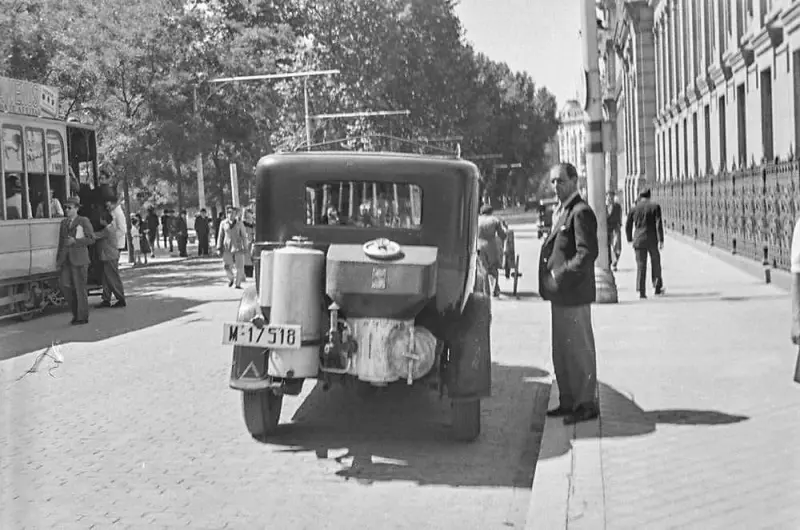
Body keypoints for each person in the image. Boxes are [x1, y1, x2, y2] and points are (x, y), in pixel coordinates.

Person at [538, 162, 600, 425]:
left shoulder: (581, 212)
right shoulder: (562, 212)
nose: (556, 186)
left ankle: (586, 403)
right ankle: (567, 400)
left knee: (579, 351)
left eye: (561, 180)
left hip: (574, 295)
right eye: (553, 181)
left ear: (575, 181)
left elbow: (587, 253)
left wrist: (560, 275)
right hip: (560, 296)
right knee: (562, 351)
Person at [56, 197, 96, 325]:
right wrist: (58, 260)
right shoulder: (63, 223)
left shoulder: (83, 221)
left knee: (80, 289)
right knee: (65, 285)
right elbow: (61, 243)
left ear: (77, 208)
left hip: (80, 259)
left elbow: (91, 239)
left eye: (70, 207)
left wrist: (76, 242)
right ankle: (76, 313)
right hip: (66, 260)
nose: (67, 210)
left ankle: (82, 316)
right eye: (65, 207)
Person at [625, 188, 665, 299]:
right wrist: (661, 239)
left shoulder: (634, 208)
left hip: (639, 240)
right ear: (649, 196)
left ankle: (641, 291)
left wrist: (629, 238)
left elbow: (628, 225)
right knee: (655, 262)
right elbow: (658, 224)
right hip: (652, 239)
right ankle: (657, 286)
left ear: (639, 196)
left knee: (641, 265)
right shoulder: (655, 207)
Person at [96, 192, 127, 308]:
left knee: (112, 274)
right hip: (111, 247)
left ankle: (119, 297)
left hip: (114, 246)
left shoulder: (118, 213)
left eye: (108, 204)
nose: (107, 206)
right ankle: (106, 297)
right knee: (106, 274)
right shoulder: (111, 212)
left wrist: (111, 239)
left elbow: (122, 230)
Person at [477, 204, 507, 297]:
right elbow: (502, 234)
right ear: (491, 212)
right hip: (491, 246)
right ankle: (495, 289)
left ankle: (486, 292)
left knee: (484, 269)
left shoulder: (477, 220)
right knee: (494, 268)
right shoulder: (494, 220)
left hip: (479, 245)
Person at [216, 206, 248, 289]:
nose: (230, 214)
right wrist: (219, 248)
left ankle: (238, 284)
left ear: (235, 214)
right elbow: (220, 236)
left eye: (232, 213)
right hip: (227, 247)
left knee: (240, 267)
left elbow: (244, 236)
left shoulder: (239, 223)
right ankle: (231, 278)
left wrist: (245, 247)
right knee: (226, 266)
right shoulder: (223, 223)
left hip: (238, 247)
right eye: (228, 212)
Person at [606, 191, 622, 271]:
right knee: (608, 246)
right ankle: (610, 263)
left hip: (615, 227)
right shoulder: (604, 206)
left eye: (611, 197)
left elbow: (619, 215)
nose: (610, 198)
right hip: (607, 228)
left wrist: (620, 224)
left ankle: (615, 262)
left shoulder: (617, 206)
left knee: (617, 245)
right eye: (608, 196)